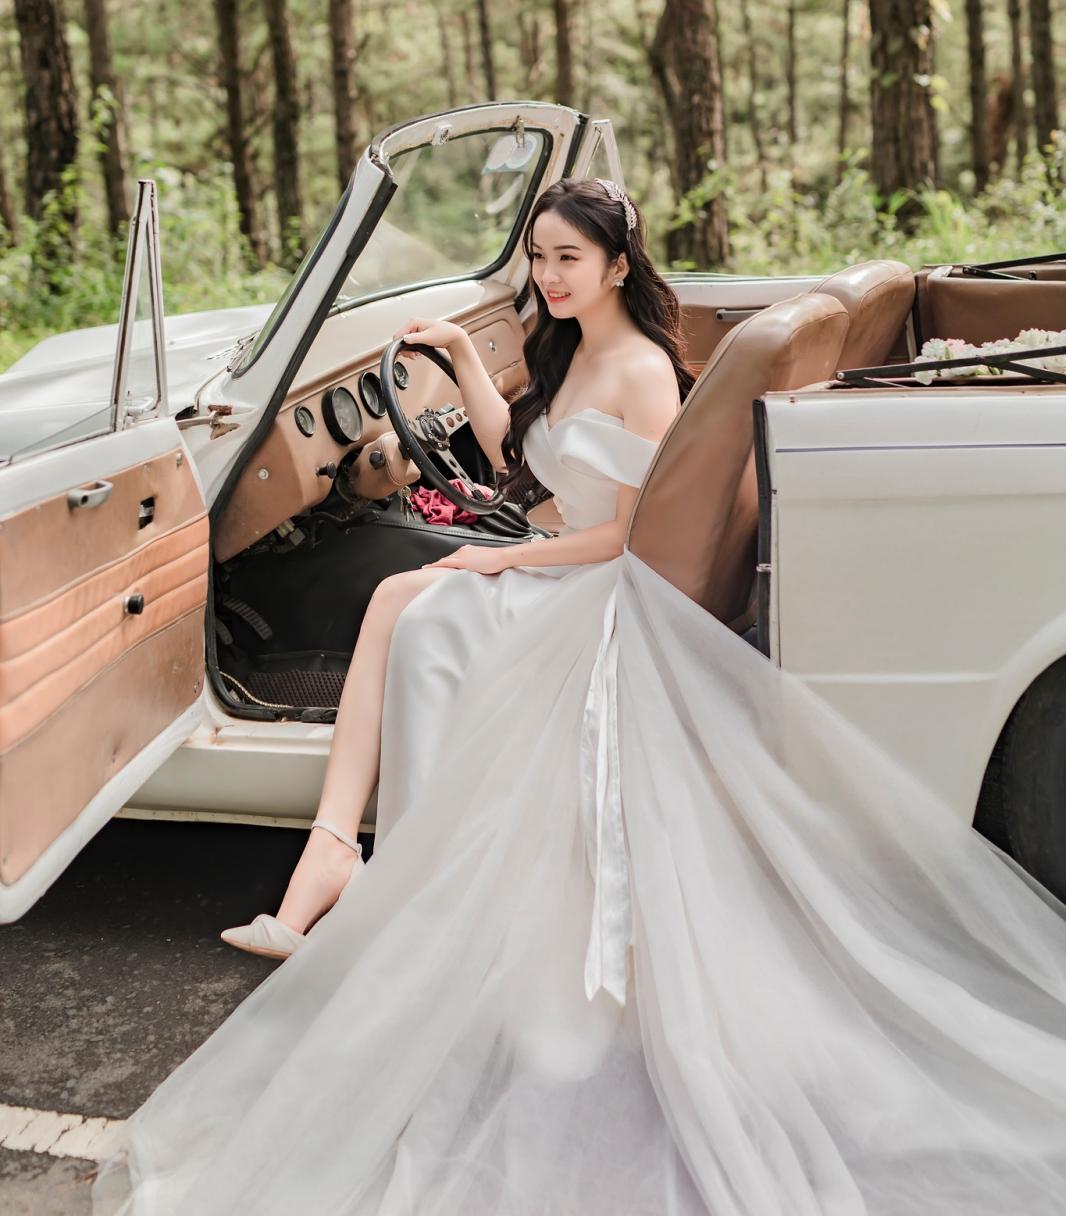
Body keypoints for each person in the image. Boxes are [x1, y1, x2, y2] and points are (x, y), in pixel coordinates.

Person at [93, 178, 1066, 1216]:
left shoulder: (641, 368)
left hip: (601, 589)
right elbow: (528, 458)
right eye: (539, 257)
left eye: (568, 258)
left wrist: (504, 561)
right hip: (560, 562)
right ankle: (335, 850)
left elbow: (630, 532)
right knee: (405, 601)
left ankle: (344, 859)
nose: (549, 276)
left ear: (615, 264)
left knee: (420, 611)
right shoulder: (565, 348)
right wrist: (463, 361)